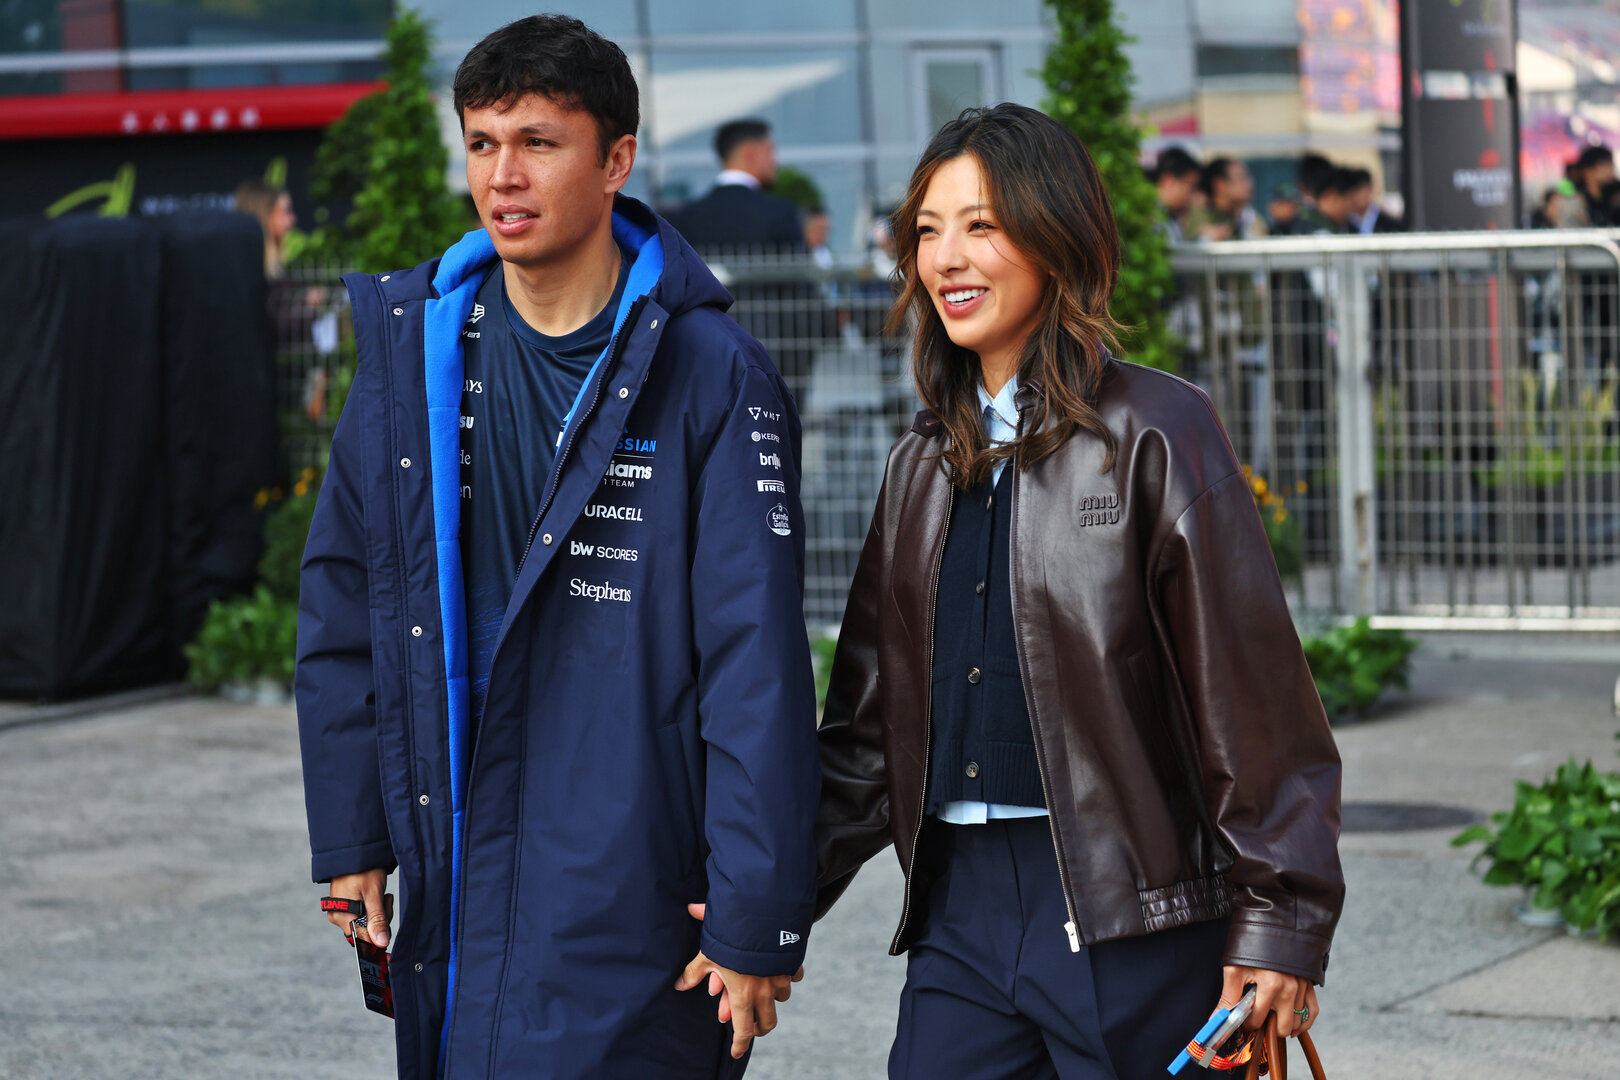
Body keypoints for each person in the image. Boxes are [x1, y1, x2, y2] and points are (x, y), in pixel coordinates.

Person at [295, 15, 819, 1079]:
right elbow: (343, 598)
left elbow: (755, 661)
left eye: (538, 141)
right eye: (483, 143)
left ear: (616, 159)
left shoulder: (712, 372)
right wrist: (352, 837)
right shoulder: (414, 350)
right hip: (451, 850)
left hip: (630, 873)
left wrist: (757, 910)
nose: (504, 175)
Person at [814, 103, 1344, 1080]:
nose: (947, 259)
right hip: (959, 922)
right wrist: (752, 904)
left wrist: (1281, 926)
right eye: (928, 232)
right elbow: (862, 731)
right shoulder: (919, 464)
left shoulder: (1156, 431)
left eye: (981, 224)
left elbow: (1251, 700)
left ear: (1056, 236)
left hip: (1133, 919)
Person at [665, 119, 805, 253]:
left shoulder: (685, 218)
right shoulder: (781, 214)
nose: (775, 161)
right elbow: (798, 271)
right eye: (770, 151)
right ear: (752, 153)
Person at [1185, 156, 1266, 240]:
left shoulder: (1249, 217)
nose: (1250, 183)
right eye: (1241, 178)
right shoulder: (1194, 217)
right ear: (1220, 184)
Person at [1151, 145, 1201, 242]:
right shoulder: (1148, 217)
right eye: (1191, 186)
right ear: (1168, 181)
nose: (1192, 195)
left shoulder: (1169, 215)